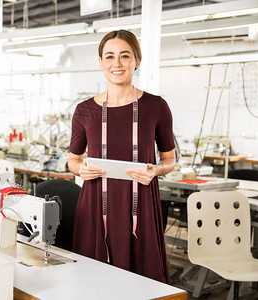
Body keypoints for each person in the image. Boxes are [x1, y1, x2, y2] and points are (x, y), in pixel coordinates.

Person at [68, 30, 176, 283]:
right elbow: (73, 160)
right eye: (109, 57)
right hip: (96, 204)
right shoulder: (84, 111)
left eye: (124, 56)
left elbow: (169, 160)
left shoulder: (156, 107)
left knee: (142, 282)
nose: (116, 63)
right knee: (92, 283)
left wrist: (155, 171)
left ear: (137, 61)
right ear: (101, 63)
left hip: (141, 205)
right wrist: (79, 169)